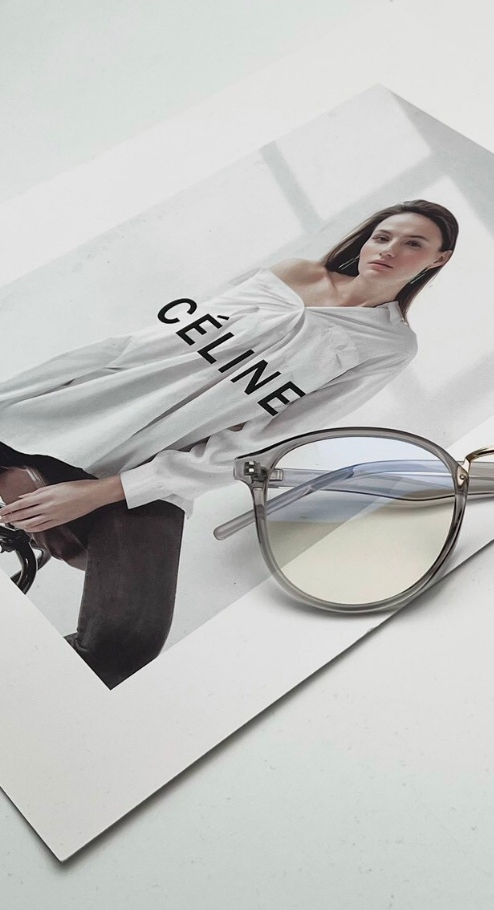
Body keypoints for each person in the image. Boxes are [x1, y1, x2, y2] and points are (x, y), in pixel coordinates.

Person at [0, 199, 458, 688]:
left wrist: (107, 490)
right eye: (383, 236)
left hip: (157, 468)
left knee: (126, 640)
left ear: (438, 259)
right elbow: (151, 344)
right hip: (79, 415)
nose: (389, 250)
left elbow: (267, 438)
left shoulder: (389, 345)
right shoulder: (292, 273)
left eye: (413, 244)